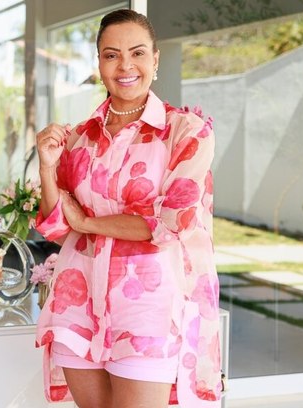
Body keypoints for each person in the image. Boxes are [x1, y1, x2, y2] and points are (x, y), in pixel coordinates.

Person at [34, 9, 221, 408]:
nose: (125, 66)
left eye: (137, 53)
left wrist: (88, 221)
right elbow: (56, 228)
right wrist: (47, 168)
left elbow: (171, 223)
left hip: (149, 308)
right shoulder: (79, 137)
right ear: (99, 63)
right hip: (78, 299)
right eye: (111, 55)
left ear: (155, 60)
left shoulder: (185, 132)